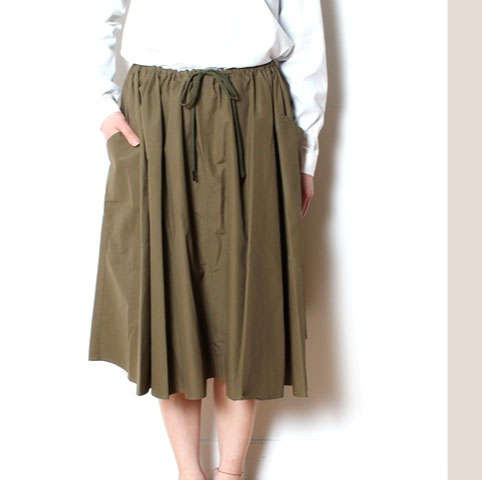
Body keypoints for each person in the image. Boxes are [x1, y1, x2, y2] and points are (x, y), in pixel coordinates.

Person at [88, 1, 328, 478]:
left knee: (247, 295)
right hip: (157, 108)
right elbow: (96, 14)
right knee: (169, 290)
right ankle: (188, 473)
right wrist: (102, 104)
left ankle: (230, 472)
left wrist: (305, 151)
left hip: (255, 108)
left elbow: (306, 42)